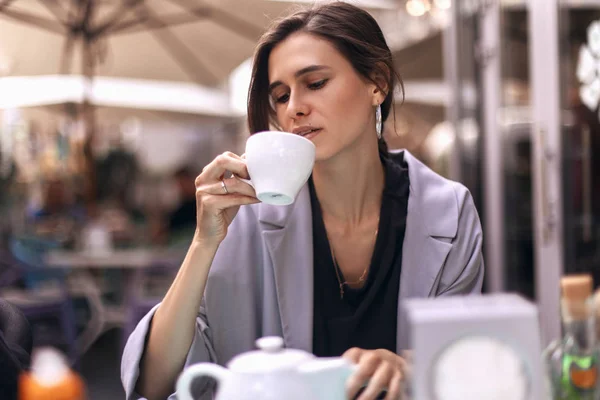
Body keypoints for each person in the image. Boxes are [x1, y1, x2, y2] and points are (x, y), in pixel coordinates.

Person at [121, 3, 484, 400]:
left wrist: (410, 369)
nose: (294, 108)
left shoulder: (448, 212)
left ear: (376, 83)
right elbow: (156, 384)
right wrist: (203, 243)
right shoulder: (246, 216)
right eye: (280, 95)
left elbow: (467, 367)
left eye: (315, 83)